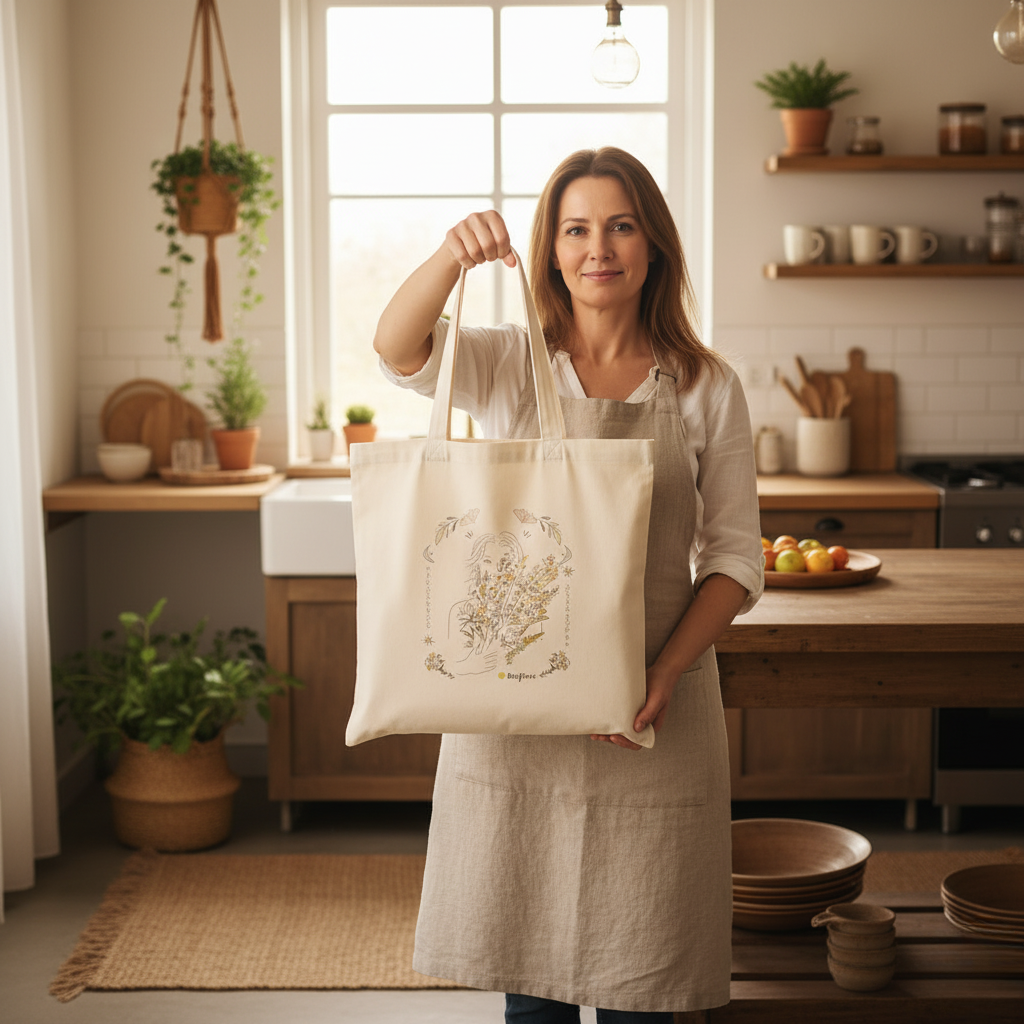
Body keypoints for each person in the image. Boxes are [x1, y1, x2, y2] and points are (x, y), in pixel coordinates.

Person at [372, 147, 764, 1022]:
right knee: (533, 992)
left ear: (653, 244)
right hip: (521, 711)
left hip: (654, 711)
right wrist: (450, 256)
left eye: (621, 226)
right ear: (549, 250)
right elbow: (397, 349)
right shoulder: (510, 364)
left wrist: (663, 674)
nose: (599, 249)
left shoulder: (706, 385)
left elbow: (736, 558)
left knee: (645, 986)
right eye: (576, 229)